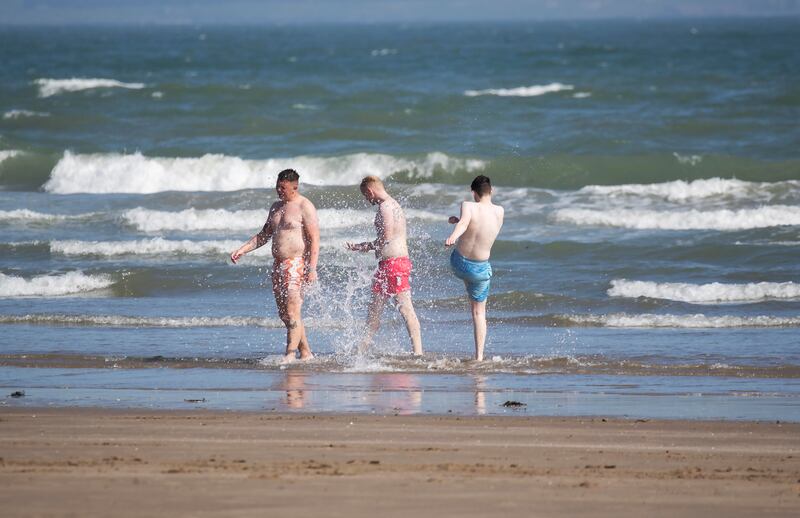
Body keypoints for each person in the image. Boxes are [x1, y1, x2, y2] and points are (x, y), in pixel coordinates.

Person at [230, 169, 320, 364]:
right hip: (278, 265)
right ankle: (306, 353)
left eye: (283, 188)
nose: (279, 190)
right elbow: (264, 235)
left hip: (297, 264)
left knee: (292, 310)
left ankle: (289, 354)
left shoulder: (305, 206)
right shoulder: (275, 207)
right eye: (277, 186)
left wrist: (312, 269)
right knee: (285, 314)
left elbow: (314, 240)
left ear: (294, 187)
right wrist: (243, 250)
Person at [346, 176, 423, 356]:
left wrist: (363, 246)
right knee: (374, 312)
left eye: (366, 196)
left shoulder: (385, 207)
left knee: (405, 308)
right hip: (388, 265)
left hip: (394, 264)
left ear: (370, 191)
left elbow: (386, 238)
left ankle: (418, 353)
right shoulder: (393, 204)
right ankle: (361, 351)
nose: (367, 200)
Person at [445, 175, 504, 361]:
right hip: (479, 270)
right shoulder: (500, 211)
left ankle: (478, 356)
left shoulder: (468, 206)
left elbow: (465, 223)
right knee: (479, 312)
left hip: (459, 263)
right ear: (491, 191)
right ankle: (479, 357)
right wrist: (460, 224)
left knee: (466, 277)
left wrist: (453, 234)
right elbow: (484, 227)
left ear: (473, 192)